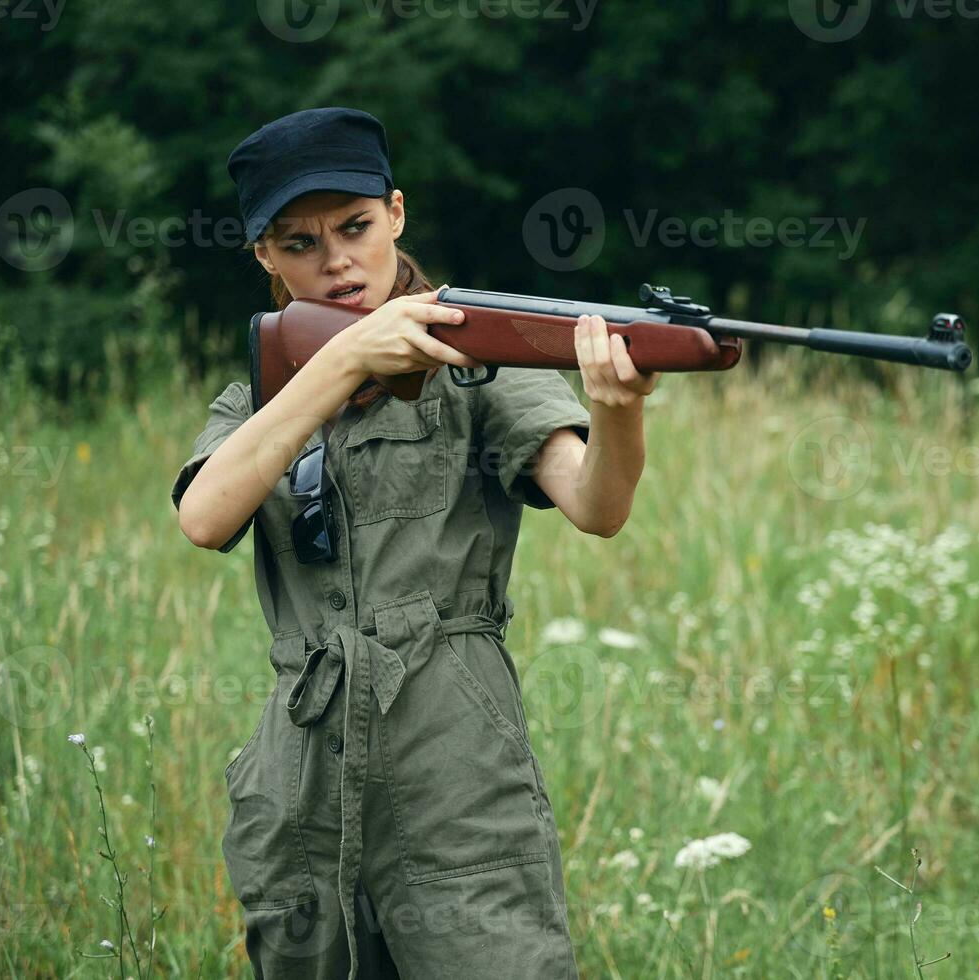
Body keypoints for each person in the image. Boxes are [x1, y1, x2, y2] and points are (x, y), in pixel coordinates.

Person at [170, 106, 659, 980]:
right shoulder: (260, 399)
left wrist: (619, 415)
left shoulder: (478, 363)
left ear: (396, 214)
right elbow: (205, 517)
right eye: (299, 243)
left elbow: (597, 505)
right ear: (264, 259)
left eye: (355, 228)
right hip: (302, 780)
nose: (336, 261)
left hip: (454, 766)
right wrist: (344, 363)